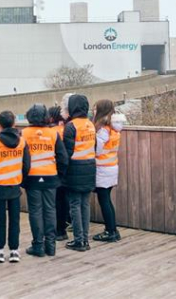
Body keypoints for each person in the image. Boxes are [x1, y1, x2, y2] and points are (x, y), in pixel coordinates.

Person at [0, 110, 30, 264]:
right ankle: (14, 251)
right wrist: (20, 178)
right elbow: (26, 165)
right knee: (15, 219)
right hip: (15, 184)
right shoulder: (22, 142)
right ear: (14, 124)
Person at [22, 104, 68, 257]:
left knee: (35, 211)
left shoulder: (24, 134)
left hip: (32, 177)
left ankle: (38, 245)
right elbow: (63, 158)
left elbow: (20, 158)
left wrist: (23, 177)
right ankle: (51, 245)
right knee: (50, 210)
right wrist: (59, 177)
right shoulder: (53, 133)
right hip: (50, 176)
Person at [62, 94, 96, 251]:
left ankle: (78, 240)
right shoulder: (90, 124)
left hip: (75, 169)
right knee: (85, 204)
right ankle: (85, 240)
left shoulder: (71, 126)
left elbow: (67, 153)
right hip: (90, 166)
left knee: (74, 204)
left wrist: (62, 172)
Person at [92, 101, 124, 243]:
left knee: (104, 200)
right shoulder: (114, 128)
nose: (93, 111)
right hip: (111, 165)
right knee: (107, 199)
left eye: (95, 109)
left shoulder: (103, 129)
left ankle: (110, 231)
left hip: (102, 167)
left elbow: (97, 150)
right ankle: (113, 230)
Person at [49, 104, 70, 241]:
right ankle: (63, 227)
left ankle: (58, 230)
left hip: (53, 170)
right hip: (67, 169)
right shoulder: (67, 129)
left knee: (55, 201)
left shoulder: (52, 132)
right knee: (64, 200)